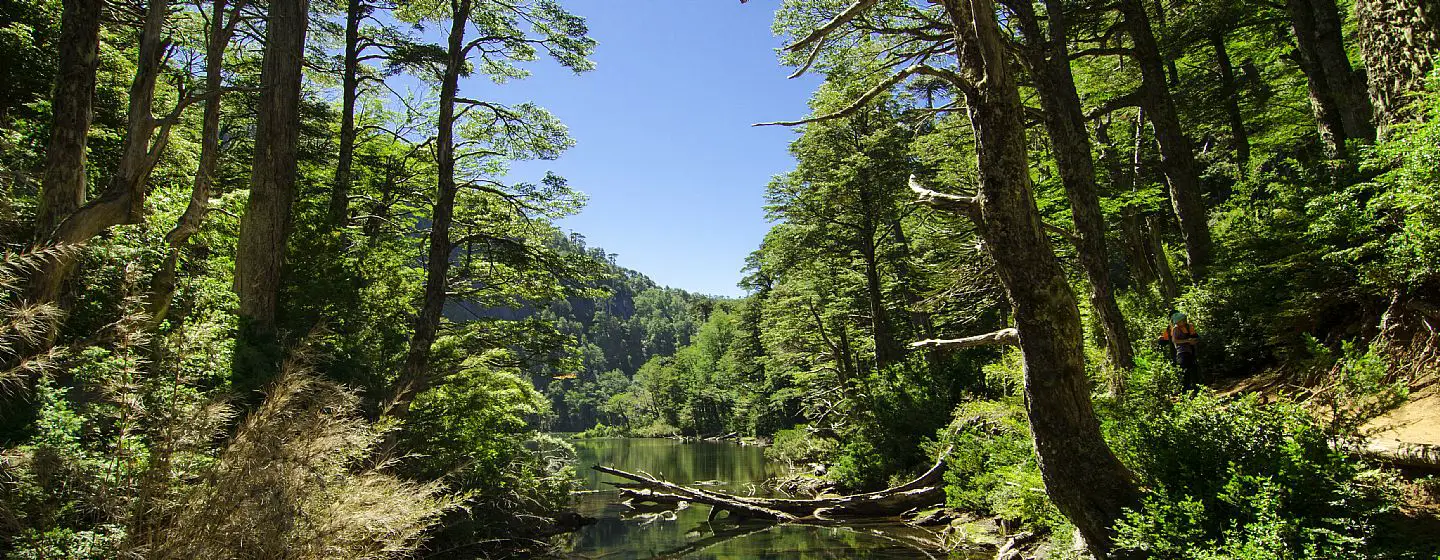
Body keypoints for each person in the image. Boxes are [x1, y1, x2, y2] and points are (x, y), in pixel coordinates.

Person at [1159, 312, 1200, 391]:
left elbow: (1195, 336)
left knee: (1192, 370)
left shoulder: (1188, 326)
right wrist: (1187, 341)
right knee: (1185, 371)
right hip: (1180, 352)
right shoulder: (1172, 328)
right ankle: (1186, 390)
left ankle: (1195, 388)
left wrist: (1194, 341)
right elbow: (1172, 340)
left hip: (1190, 351)